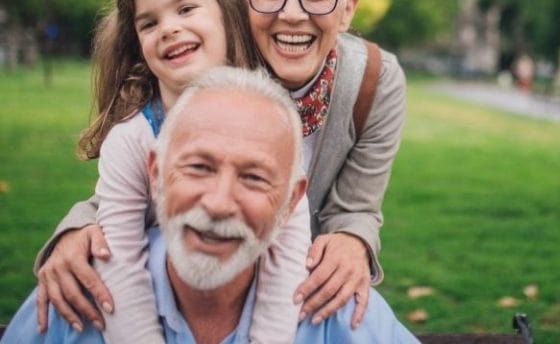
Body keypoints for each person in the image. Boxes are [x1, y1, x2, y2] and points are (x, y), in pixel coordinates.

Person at [34, 0, 407, 332]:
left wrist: (353, 241)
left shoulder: (375, 81)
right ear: (243, 4)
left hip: (294, 293)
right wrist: (76, 228)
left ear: (346, 10)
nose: (292, 14)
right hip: (186, 284)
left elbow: (357, 205)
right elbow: (144, 183)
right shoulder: (213, 80)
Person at [2, 67, 418, 344]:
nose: (219, 204)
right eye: (199, 167)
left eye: (254, 177)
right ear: (155, 174)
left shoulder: (340, 311)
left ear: (292, 200)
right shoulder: (73, 296)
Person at [35, 0, 311, 344]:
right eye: (149, 23)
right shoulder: (131, 140)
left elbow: (287, 256)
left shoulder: (272, 127)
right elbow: (119, 262)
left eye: (185, 9)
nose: (169, 29)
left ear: (227, 16)